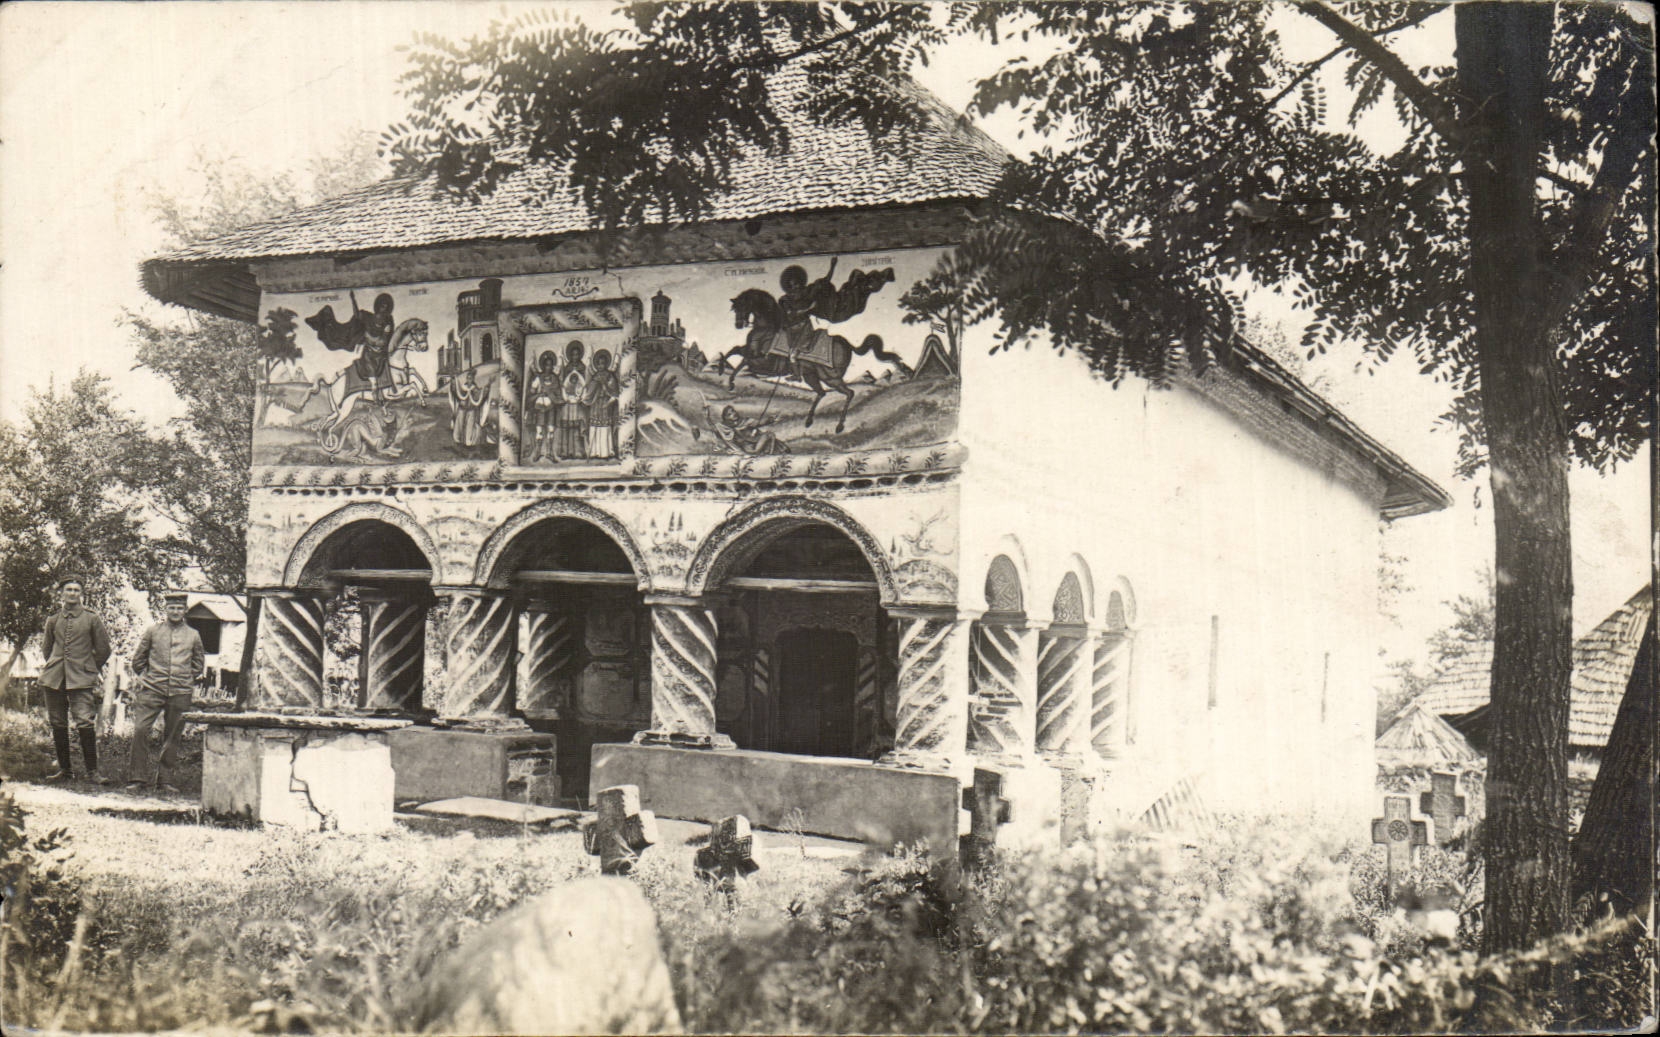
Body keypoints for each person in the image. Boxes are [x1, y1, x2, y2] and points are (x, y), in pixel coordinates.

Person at [127, 591, 204, 794]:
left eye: (180, 608)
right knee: (140, 730)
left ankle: (165, 781)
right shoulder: (153, 631)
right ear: (166, 609)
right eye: (172, 608)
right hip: (152, 689)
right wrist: (146, 678)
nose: (176, 611)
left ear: (185, 610)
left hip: (180, 692)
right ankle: (138, 778)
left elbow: (198, 665)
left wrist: (185, 679)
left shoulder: (194, 635)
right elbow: (137, 661)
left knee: (172, 736)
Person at [38, 576, 111, 784]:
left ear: (82, 594)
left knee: (85, 721)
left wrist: (89, 668)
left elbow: (104, 649)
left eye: (76, 590)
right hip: (54, 679)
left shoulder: (92, 618)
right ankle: (65, 770)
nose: (72, 593)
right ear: (61, 593)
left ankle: (92, 772)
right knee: (57, 722)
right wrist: (55, 666)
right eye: (68, 589)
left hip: (81, 679)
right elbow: (47, 649)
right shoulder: (53, 620)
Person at [555, 339, 589, 460]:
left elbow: (584, 383)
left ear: (580, 355)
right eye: (573, 354)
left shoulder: (583, 367)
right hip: (568, 403)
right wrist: (566, 396)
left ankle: (578, 452)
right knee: (566, 427)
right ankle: (565, 452)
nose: (575, 356)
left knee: (577, 427)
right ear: (570, 355)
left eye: (577, 354)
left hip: (577, 402)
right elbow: (563, 383)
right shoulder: (567, 367)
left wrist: (581, 396)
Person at [583, 349, 620, 460]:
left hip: (606, 404)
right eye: (598, 364)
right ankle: (594, 452)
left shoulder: (610, 376)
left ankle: (605, 453)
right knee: (595, 427)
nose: (600, 366)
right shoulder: (594, 377)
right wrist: (585, 400)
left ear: (606, 364)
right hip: (595, 403)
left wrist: (606, 387)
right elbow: (590, 392)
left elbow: (614, 392)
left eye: (602, 364)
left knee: (605, 428)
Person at [527, 350, 561, 462]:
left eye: (551, 365)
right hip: (540, 407)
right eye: (547, 365)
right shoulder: (538, 378)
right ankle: (537, 452)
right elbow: (531, 392)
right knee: (539, 430)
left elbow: (558, 393)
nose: (549, 367)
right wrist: (538, 393)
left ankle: (550, 453)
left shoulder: (555, 379)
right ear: (543, 365)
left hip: (551, 407)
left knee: (551, 429)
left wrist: (551, 395)